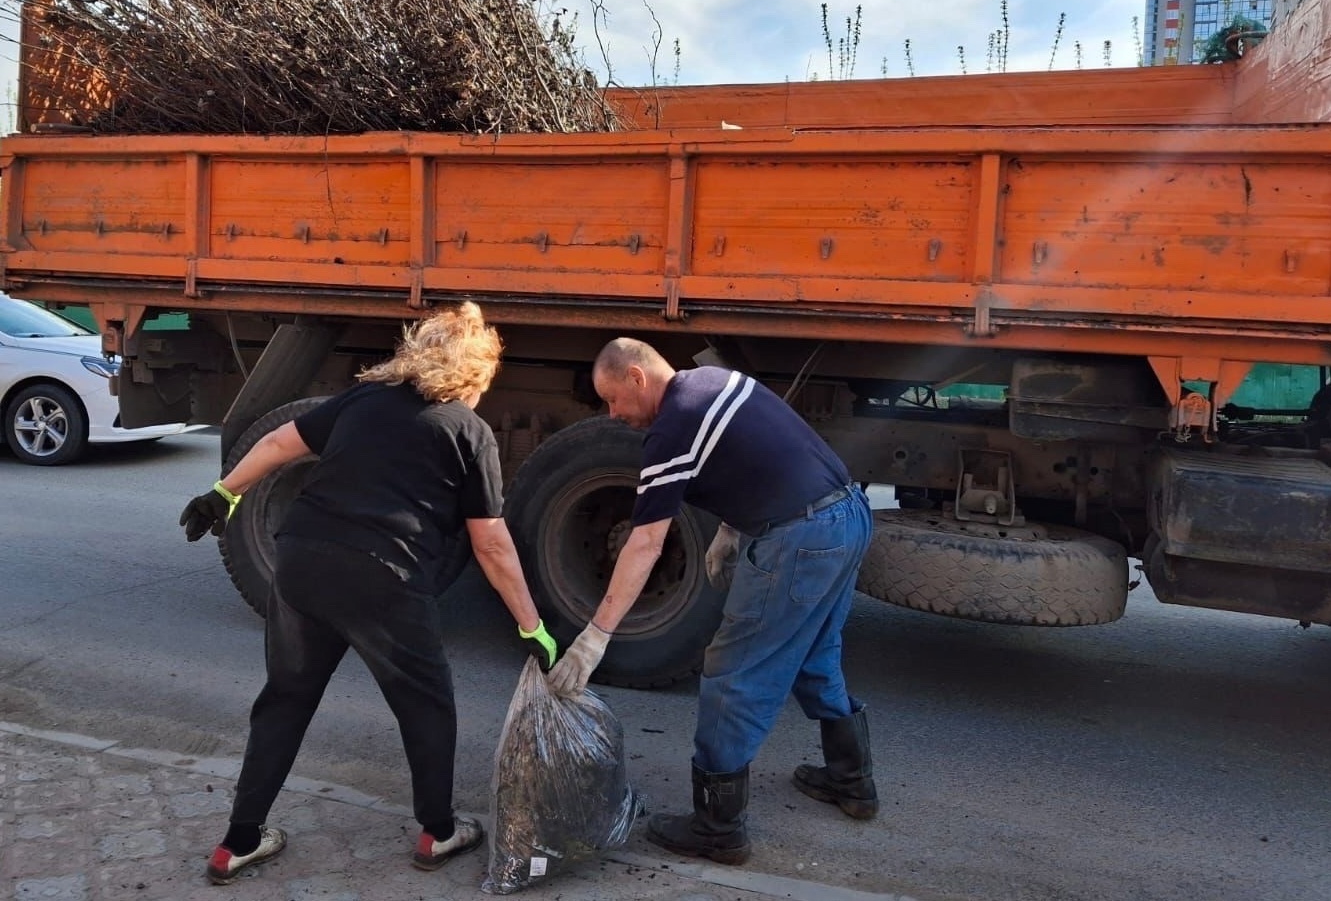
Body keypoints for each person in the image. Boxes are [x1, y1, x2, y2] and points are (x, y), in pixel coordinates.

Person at [178, 302, 558, 885]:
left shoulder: (363, 400)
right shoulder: (467, 430)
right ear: (473, 373)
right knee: (426, 704)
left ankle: (238, 842)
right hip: (384, 577)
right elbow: (490, 543)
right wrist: (532, 627)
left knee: (285, 699)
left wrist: (223, 494)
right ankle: (437, 831)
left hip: (301, 560)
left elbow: (279, 442)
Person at [546, 337, 877, 866]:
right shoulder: (714, 382)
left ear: (637, 378)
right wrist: (730, 528)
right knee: (815, 651)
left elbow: (645, 543)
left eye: (613, 399)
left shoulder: (671, 428)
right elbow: (756, 455)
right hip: (848, 517)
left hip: (801, 537)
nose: (612, 414)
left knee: (732, 674)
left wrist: (595, 636)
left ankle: (717, 828)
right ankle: (852, 781)